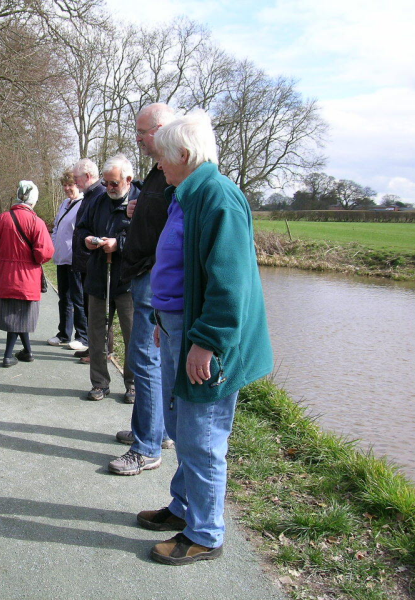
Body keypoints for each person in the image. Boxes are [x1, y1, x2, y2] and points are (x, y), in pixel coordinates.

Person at [137, 109, 273, 565]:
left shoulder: (218, 198)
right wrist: (162, 317)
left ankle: (206, 533)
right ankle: (184, 505)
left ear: (185, 154)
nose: (157, 166)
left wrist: (208, 340)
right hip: (176, 326)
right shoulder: (186, 193)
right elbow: (176, 263)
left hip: (204, 340)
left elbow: (230, 284)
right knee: (180, 428)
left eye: (161, 157)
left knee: (203, 435)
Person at [108, 103, 176, 476]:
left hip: (153, 276)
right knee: (150, 361)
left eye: (142, 131)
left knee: (145, 361)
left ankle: (147, 447)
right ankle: (153, 430)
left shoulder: (174, 170)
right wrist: (138, 213)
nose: (137, 137)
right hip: (145, 273)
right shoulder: (158, 171)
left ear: (163, 128)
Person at [74, 154, 138, 402]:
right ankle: (100, 383)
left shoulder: (139, 202)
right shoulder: (97, 201)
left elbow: (148, 240)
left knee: (132, 334)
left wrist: (119, 244)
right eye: (106, 182)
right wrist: (88, 241)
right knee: (97, 333)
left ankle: (133, 384)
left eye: (114, 183)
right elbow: (81, 230)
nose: (109, 188)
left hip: (128, 281)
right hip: (99, 275)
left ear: (128, 180)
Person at [0, 181, 54, 367]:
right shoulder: (37, 222)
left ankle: (27, 351)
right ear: (33, 200)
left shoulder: (2, 218)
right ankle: (8, 356)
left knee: (14, 316)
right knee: (21, 316)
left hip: (5, 275)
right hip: (27, 277)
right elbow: (45, 253)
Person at [47, 169, 88, 352]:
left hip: (76, 260)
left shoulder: (83, 203)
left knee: (78, 298)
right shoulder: (64, 203)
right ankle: (64, 333)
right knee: (63, 298)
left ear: (78, 185)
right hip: (62, 258)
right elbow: (57, 227)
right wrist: (54, 247)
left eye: (70, 185)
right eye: (64, 185)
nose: (67, 188)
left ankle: (82, 335)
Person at [70, 159, 106, 360]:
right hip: (86, 260)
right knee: (88, 307)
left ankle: (100, 350)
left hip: (92, 260)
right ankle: (93, 346)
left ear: (88, 176)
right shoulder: (90, 195)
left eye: (77, 178)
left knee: (96, 310)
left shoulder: (99, 194)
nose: (75, 183)